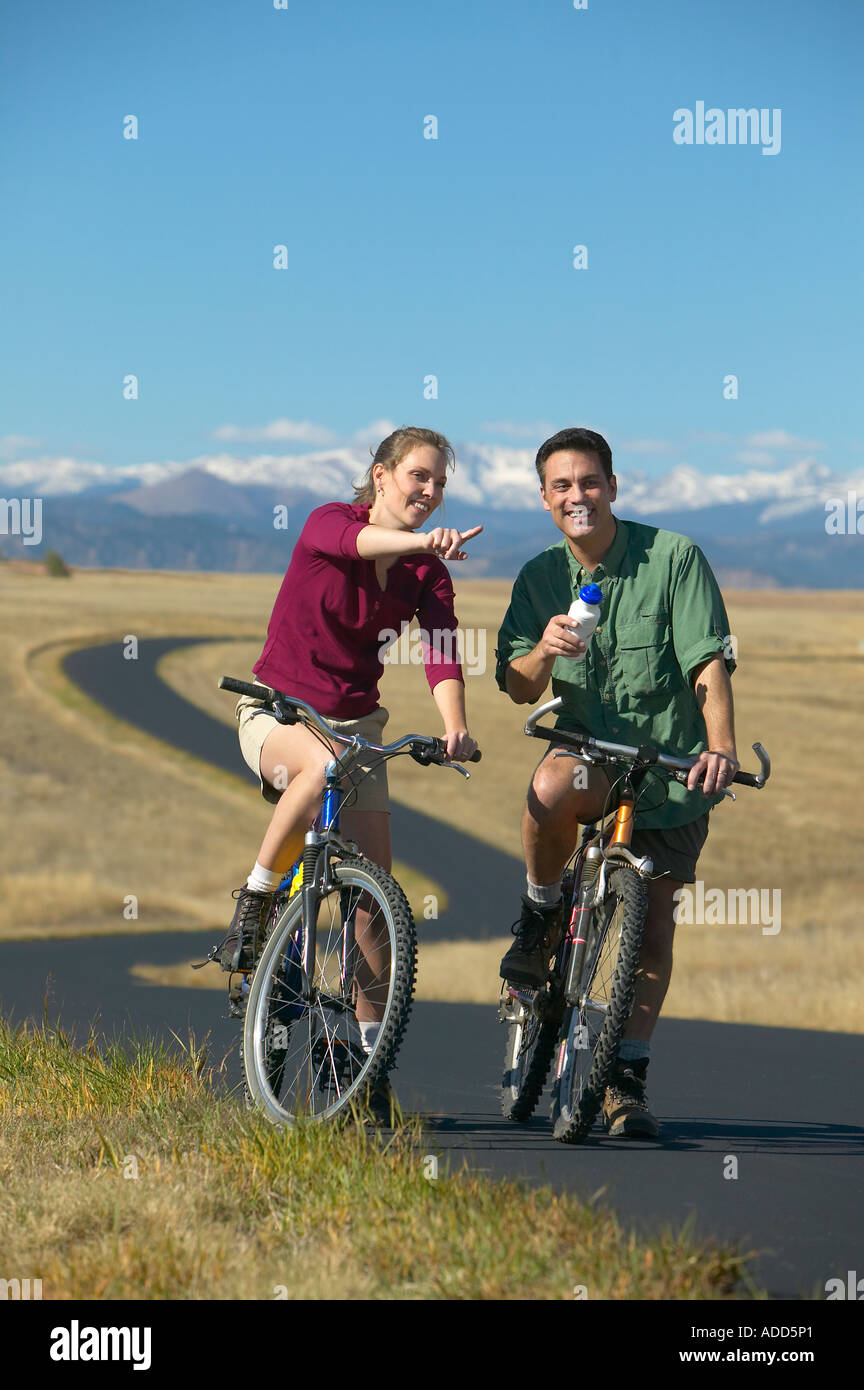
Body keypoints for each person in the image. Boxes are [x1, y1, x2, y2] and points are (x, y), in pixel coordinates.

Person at [209, 425, 481, 1080]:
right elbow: (356, 543)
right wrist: (420, 539)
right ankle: (255, 899)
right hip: (277, 710)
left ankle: (367, 1064)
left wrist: (455, 727)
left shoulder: (426, 572)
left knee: (373, 909)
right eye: (420, 475)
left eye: (441, 483)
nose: (431, 490)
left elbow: (440, 652)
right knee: (318, 765)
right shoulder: (329, 522)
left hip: (356, 725)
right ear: (382, 474)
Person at [495, 427, 738, 1139]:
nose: (578, 496)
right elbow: (515, 685)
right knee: (548, 789)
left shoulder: (674, 558)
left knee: (654, 926)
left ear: (613, 486)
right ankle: (542, 916)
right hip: (591, 755)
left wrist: (720, 746)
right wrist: (542, 648)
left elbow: (707, 663)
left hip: (671, 770)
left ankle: (624, 1080)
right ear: (544, 498)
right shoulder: (540, 575)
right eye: (562, 486)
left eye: (590, 482)